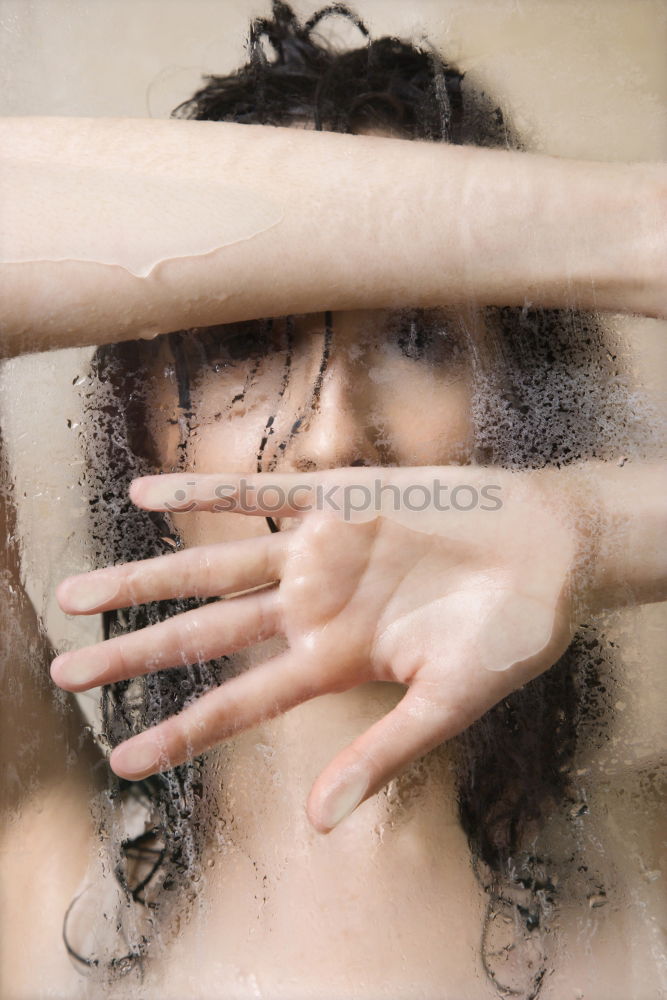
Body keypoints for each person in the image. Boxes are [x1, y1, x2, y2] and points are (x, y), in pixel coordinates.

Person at [1, 2, 665, 998]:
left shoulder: (652, 844)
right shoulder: (32, 857)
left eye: (417, 340)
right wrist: (641, 227)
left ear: (511, 409)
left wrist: (591, 528)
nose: (331, 440)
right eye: (241, 339)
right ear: (138, 426)